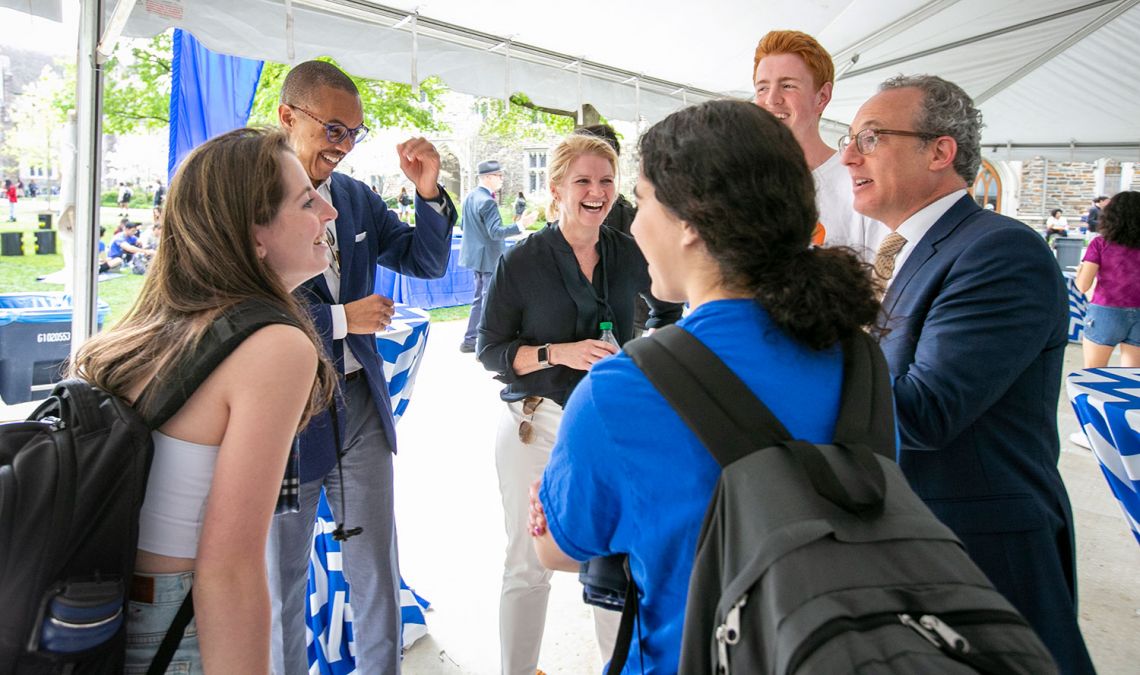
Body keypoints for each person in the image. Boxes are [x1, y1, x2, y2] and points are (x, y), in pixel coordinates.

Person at [527, 100, 879, 673]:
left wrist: (543, 500)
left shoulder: (624, 389)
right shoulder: (858, 354)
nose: (634, 222)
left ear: (689, 222)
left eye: (640, 199)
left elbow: (561, 547)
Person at [841, 74, 1094, 674]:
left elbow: (926, 412)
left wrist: (797, 349)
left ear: (940, 150)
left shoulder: (999, 252)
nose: (849, 155)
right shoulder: (909, 251)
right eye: (850, 139)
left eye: (870, 137)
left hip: (979, 549)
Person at [69, 127, 339, 673]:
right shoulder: (275, 346)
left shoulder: (152, 327)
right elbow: (230, 570)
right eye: (307, 200)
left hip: (98, 606)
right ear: (254, 233)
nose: (329, 212)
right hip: (177, 618)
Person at [266, 59, 456, 675]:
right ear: (288, 117)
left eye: (354, 133)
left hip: (359, 402)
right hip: (289, 416)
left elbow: (425, 263)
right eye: (333, 130)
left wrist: (428, 190)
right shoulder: (247, 190)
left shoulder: (353, 195)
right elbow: (245, 310)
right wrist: (343, 320)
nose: (344, 147)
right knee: (283, 571)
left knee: (376, 560)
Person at [477, 133, 679, 674]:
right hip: (534, 423)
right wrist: (556, 352)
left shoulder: (629, 249)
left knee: (611, 558)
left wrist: (639, 352)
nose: (597, 192)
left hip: (609, 427)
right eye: (583, 181)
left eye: (607, 180)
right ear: (559, 189)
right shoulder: (521, 261)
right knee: (526, 565)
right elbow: (490, 350)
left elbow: (670, 307)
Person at [753, 29, 886, 260]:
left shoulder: (858, 182)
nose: (772, 99)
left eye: (788, 85)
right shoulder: (743, 180)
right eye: (762, 88)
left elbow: (882, 283)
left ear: (822, 97)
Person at [458, 160, 532, 353]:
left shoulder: (470, 197)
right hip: (489, 258)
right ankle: (479, 341)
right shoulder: (488, 201)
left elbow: (464, 226)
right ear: (488, 177)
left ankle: (470, 340)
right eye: (499, 176)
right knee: (489, 300)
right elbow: (496, 232)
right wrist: (521, 225)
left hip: (476, 256)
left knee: (480, 299)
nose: (501, 179)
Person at [1075, 191, 1140, 367]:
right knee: (1131, 380)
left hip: (1106, 311)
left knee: (1094, 374)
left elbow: (1082, 285)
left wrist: (1080, 270)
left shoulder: (1100, 244)